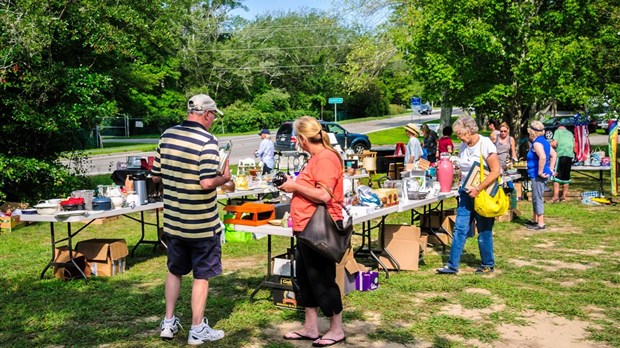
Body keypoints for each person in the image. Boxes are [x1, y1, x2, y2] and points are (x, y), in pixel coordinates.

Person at [151, 94, 231, 345]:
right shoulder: (208, 141)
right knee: (201, 276)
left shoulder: (166, 136)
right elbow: (207, 182)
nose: (213, 121)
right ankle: (197, 329)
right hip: (202, 224)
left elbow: (155, 177)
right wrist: (225, 178)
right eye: (213, 117)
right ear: (206, 114)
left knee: (174, 272)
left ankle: (168, 322)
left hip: (174, 221)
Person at [278, 116, 346, 347]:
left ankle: (336, 329)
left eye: (297, 138)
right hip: (305, 227)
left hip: (318, 228)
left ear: (302, 139)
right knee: (305, 279)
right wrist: (294, 185)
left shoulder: (326, 158)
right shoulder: (316, 157)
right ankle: (311, 327)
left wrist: (294, 186)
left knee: (322, 278)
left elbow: (324, 195)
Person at [436, 116, 500, 275]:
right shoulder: (464, 145)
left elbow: (496, 171)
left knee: (484, 230)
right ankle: (452, 266)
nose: (458, 137)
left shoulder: (485, 144)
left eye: (460, 134)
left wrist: (478, 188)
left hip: (482, 194)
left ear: (470, 131)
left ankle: (487, 264)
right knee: (459, 229)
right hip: (465, 194)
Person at [525, 120, 556, 230]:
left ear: (532, 132)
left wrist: (540, 171)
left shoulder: (537, 143)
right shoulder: (544, 141)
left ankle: (541, 223)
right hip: (540, 173)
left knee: (537, 197)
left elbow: (542, 157)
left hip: (538, 175)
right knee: (535, 197)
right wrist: (551, 169)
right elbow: (554, 155)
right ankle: (535, 220)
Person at [550, 125, 575, 202]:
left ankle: (555, 197)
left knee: (556, 176)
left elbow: (554, 143)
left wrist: (548, 144)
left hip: (561, 154)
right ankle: (563, 197)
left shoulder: (558, 132)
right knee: (566, 177)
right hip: (570, 156)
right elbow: (574, 146)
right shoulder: (570, 133)